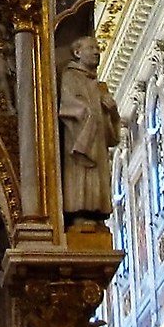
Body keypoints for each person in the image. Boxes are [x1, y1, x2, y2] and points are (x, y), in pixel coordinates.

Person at [55, 35, 119, 224]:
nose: (96, 52)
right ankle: (81, 214)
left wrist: (111, 111)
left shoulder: (99, 86)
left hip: (97, 142)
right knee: (81, 177)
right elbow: (68, 103)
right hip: (79, 138)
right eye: (91, 48)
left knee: (97, 176)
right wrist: (89, 111)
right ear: (77, 53)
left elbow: (113, 136)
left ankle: (96, 214)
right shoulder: (70, 76)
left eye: (98, 48)